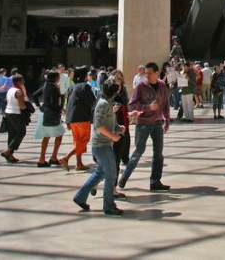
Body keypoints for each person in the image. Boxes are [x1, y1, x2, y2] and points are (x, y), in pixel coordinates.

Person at [73, 80, 129, 216]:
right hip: (102, 145)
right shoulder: (103, 104)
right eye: (117, 91)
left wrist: (118, 128)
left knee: (101, 173)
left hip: (104, 145)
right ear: (113, 92)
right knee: (111, 174)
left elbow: (108, 122)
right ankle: (109, 206)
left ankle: (80, 197)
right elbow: (99, 126)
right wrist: (114, 136)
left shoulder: (107, 104)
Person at [120, 62, 171, 191]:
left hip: (158, 124)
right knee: (138, 152)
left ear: (157, 73)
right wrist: (148, 107)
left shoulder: (162, 86)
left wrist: (167, 120)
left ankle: (155, 181)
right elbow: (132, 105)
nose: (146, 76)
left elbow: (165, 103)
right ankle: (124, 178)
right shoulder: (141, 86)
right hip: (143, 124)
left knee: (158, 154)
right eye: (145, 73)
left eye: (149, 73)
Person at [60, 66, 96, 171]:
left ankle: (79, 164)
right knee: (84, 140)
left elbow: (69, 104)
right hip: (82, 118)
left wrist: (67, 120)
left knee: (78, 141)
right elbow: (93, 102)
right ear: (85, 76)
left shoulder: (72, 87)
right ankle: (66, 157)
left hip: (72, 118)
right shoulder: (86, 87)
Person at [32, 70, 65, 167]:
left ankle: (42, 159)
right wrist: (59, 108)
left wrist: (40, 106)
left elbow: (34, 95)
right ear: (55, 78)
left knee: (46, 136)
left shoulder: (46, 85)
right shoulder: (54, 87)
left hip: (45, 114)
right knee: (59, 135)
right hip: (52, 114)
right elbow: (53, 102)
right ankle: (53, 157)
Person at [0, 74, 29, 163]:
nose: (24, 82)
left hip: (8, 113)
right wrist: (28, 108)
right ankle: (8, 151)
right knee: (21, 132)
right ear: (19, 82)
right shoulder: (18, 92)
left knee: (12, 134)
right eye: (22, 80)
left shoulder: (10, 90)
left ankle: (10, 156)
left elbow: (6, 100)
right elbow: (22, 106)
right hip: (15, 114)